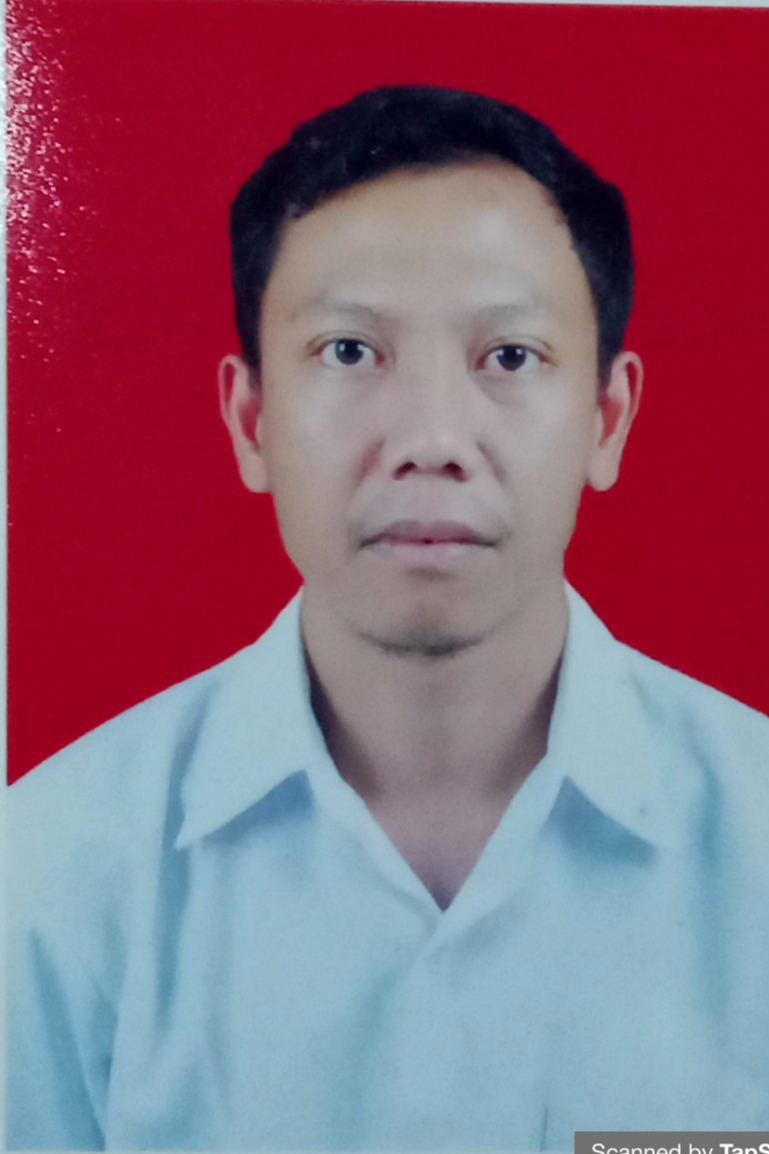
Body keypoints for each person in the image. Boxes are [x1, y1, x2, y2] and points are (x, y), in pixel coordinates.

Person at [8, 86, 769, 1151]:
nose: (431, 440)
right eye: (349, 352)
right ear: (250, 419)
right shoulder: (51, 875)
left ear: (607, 418)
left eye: (509, 356)